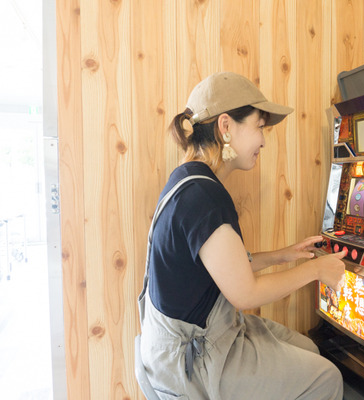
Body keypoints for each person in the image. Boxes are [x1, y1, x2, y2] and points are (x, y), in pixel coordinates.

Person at [138, 71, 347, 400]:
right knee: (326, 378)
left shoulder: (190, 180)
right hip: (191, 363)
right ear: (226, 126)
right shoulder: (203, 197)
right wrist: (316, 270)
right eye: (259, 126)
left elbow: (224, 268)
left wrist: (285, 255)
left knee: (309, 348)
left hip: (194, 341)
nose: (263, 140)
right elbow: (245, 294)